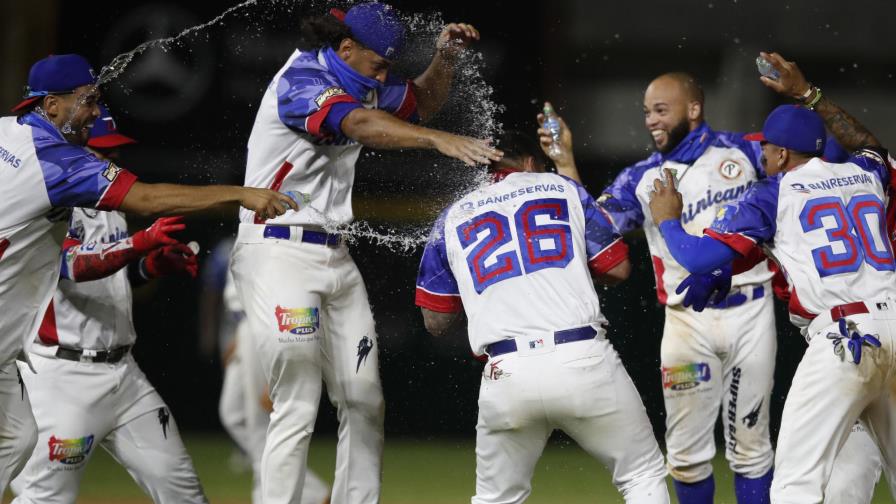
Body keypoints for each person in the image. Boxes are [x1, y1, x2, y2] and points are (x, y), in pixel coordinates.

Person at [229, 4, 502, 503]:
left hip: (333, 254)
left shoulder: (359, 75)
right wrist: (435, 140)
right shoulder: (302, 78)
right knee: (297, 402)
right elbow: (357, 124)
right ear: (345, 48)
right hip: (278, 252)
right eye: (378, 64)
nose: (383, 75)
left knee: (364, 399)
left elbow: (419, 101)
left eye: (387, 69)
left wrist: (443, 59)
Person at [0, 53, 296, 492]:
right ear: (51, 106)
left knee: (17, 434)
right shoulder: (59, 165)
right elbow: (147, 200)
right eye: (88, 101)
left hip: (98, 366)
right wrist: (241, 194)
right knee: (41, 487)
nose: (96, 114)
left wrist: (145, 265)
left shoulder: (8, 131)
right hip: (62, 370)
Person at [647, 99, 896, 503]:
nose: (761, 154)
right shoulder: (865, 171)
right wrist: (726, 270)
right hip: (893, 325)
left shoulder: (774, 192)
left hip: (844, 339)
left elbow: (694, 256)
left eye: (765, 147)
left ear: (781, 154)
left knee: (793, 487)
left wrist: (667, 219)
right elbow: (870, 149)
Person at [415, 130, 670, 504]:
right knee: (641, 476)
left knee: (495, 500)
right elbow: (617, 269)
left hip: (507, 370)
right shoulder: (560, 187)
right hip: (580, 357)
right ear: (532, 164)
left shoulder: (453, 216)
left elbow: (434, 322)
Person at [570, 72, 775, 503]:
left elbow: (809, 160)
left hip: (751, 311)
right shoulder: (641, 177)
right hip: (686, 323)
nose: (651, 121)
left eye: (661, 110)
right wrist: (567, 164)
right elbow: (593, 232)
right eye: (646, 112)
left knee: (752, 449)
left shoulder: (746, 149)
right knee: (685, 455)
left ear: (694, 109)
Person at [10, 105, 209, 503]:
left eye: (116, 151)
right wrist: (140, 243)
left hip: (124, 375)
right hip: (62, 376)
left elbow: (109, 280)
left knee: (182, 489)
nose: (114, 159)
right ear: (77, 151)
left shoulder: (110, 208)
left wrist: (150, 266)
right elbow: (74, 268)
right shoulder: (50, 204)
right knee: (45, 499)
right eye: (104, 151)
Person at [202, 241, 331, 504]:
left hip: (264, 324)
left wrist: (278, 370)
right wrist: (239, 337)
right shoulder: (246, 227)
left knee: (261, 424)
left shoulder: (278, 234)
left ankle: (268, 496)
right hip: (244, 324)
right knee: (233, 413)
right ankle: (312, 491)